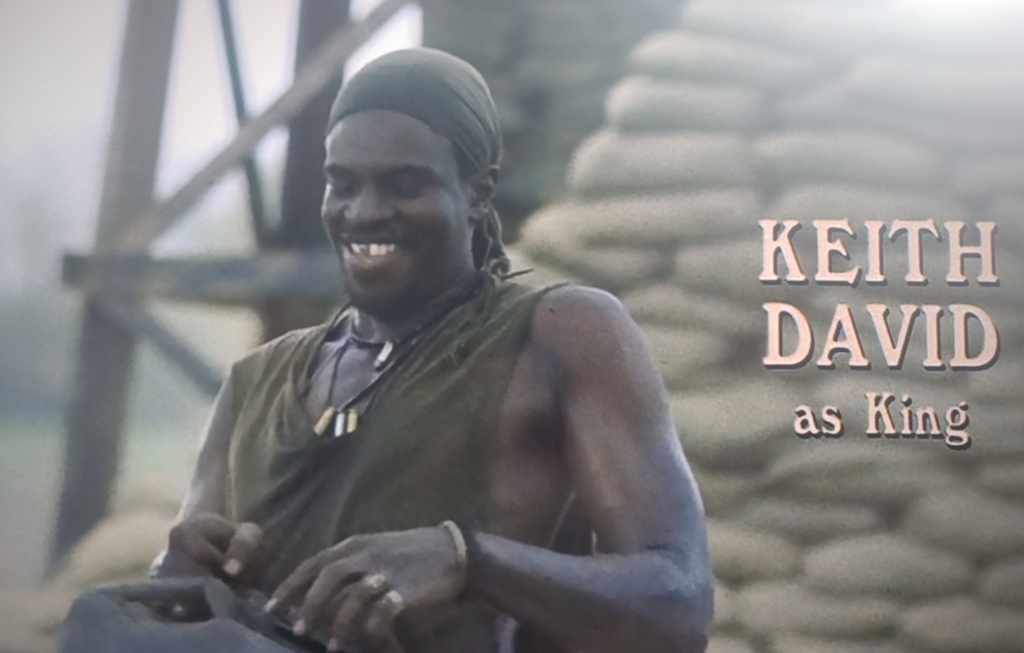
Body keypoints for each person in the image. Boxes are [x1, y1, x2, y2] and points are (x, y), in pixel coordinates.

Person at [155, 48, 712, 653]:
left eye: (405, 184)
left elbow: (678, 604)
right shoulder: (256, 382)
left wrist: (466, 558)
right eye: (343, 184)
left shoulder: (557, 332)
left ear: (477, 193)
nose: (364, 213)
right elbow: (189, 599)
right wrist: (174, 577)